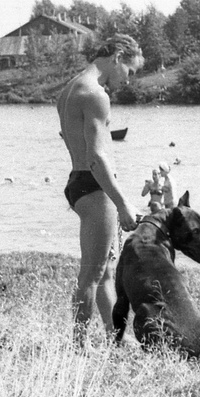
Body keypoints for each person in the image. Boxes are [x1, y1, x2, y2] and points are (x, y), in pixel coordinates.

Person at [57, 33, 143, 348]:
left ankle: (117, 337)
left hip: (79, 181)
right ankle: (78, 347)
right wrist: (122, 203)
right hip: (96, 186)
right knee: (92, 274)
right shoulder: (95, 93)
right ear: (118, 57)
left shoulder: (69, 89)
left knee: (106, 269)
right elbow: (97, 155)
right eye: (130, 71)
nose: (129, 81)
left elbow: (71, 139)